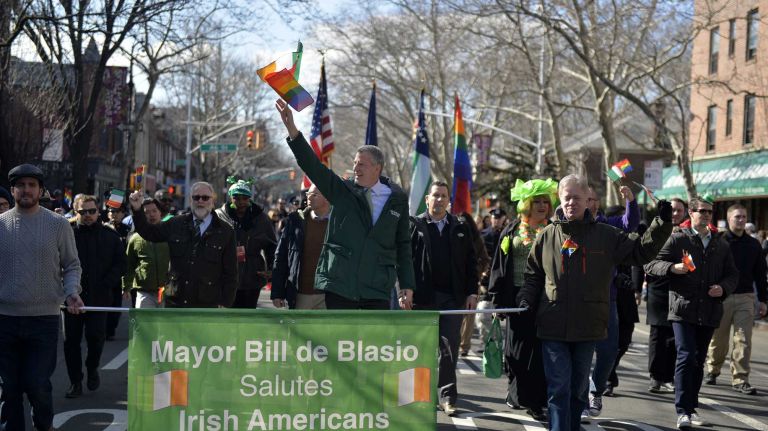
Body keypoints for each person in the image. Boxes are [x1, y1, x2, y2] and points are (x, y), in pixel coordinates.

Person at [516, 174, 673, 431]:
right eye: (567, 198)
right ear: (561, 199)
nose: (571, 203)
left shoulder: (607, 235)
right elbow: (533, 275)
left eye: (577, 198)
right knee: (558, 387)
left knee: (578, 390)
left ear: (588, 200)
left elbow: (641, 251)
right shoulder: (546, 236)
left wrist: (662, 222)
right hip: (552, 325)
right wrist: (525, 298)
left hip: (588, 326)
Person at [276, 99, 415, 310]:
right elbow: (313, 167)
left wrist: (407, 285)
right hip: (340, 286)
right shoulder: (342, 191)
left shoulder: (397, 200)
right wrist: (293, 131)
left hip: (376, 289)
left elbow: (404, 245)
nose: (356, 168)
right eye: (355, 163)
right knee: (338, 343)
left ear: (378, 168)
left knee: (371, 343)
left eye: (362, 164)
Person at [0, 163, 84, 431]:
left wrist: (72, 292)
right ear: (13, 190)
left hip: (44, 320)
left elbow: (72, 265)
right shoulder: (1, 225)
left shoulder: (58, 225)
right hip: (5, 320)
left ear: (40, 190)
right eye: (21, 185)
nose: (26, 190)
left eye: (32, 185)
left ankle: (43, 426)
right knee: (9, 388)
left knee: (37, 384)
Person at [645, 196, 738, 429]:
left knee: (697, 360)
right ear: (691, 213)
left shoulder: (720, 244)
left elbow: (733, 275)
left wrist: (723, 288)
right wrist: (672, 268)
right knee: (686, 355)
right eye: (701, 211)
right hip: (682, 308)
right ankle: (683, 411)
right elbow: (650, 264)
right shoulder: (678, 239)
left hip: (709, 310)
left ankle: (691, 407)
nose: (706, 215)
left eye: (709, 212)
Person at [488, 178, 558, 421]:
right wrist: (496, 301)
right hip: (516, 299)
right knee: (515, 352)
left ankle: (536, 402)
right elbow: (499, 266)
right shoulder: (512, 230)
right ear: (526, 205)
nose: (541, 206)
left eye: (545, 202)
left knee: (539, 352)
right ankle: (516, 391)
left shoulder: (556, 230)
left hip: (547, 299)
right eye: (536, 201)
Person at [409, 181, 478, 416]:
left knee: (449, 351)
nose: (439, 200)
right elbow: (404, 260)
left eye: (443, 196)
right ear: (427, 198)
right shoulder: (415, 225)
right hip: (422, 297)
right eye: (435, 195)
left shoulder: (460, 226)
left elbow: (471, 261)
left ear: (449, 200)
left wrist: (472, 292)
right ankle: (419, 396)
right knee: (421, 349)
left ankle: (447, 398)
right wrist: (405, 289)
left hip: (453, 298)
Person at [127, 182, 238, 308]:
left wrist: (225, 302)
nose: (200, 201)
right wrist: (137, 210)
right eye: (196, 197)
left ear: (212, 200)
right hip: (176, 300)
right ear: (191, 200)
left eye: (205, 198)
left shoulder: (225, 231)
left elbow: (231, 272)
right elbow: (149, 233)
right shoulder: (176, 223)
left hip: (207, 303)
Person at [584, 185, 640, 417]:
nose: (592, 203)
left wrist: (631, 201)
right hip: (576, 301)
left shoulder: (610, 225)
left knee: (608, 352)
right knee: (581, 352)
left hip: (607, 300)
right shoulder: (568, 226)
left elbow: (631, 224)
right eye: (587, 199)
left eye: (595, 199)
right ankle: (581, 398)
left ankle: (596, 391)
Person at [63, 195, 125, 398]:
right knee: (71, 342)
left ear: (98, 212)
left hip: (99, 298)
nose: (87, 215)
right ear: (75, 212)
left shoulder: (110, 236)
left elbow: (120, 264)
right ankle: (75, 382)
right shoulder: (67, 234)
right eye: (82, 212)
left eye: (91, 211)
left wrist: (107, 284)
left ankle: (92, 369)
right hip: (72, 298)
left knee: (96, 339)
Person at [705, 204, 768, 394]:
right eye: (737, 217)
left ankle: (740, 378)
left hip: (745, 297)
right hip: (721, 297)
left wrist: (763, 300)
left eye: (743, 217)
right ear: (729, 218)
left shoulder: (754, 244)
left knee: (743, 339)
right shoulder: (718, 241)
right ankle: (713, 369)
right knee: (719, 339)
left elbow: (760, 273)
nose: (740, 220)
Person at [645, 197, 688, 394]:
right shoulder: (656, 230)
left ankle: (669, 376)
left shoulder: (690, 234)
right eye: (672, 210)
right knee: (658, 335)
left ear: (685, 212)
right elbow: (643, 258)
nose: (675, 213)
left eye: (679, 210)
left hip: (680, 292)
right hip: (659, 289)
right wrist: (638, 289)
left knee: (674, 336)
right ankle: (655, 376)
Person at [215, 178, 277, 309]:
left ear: (250, 199)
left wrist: (272, 269)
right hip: (224, 276)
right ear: (230, 198)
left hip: (252, 277)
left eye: (245, 198)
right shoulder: (219, 216)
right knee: (226, 317)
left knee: (247, 316)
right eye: (237, 198)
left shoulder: (261, 219)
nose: (241, 202)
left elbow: (271, 246)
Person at [271, 185, 331, 310]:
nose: (308, 198)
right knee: (298, 329)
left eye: (314, 195)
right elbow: (281, 257)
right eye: (308, 194)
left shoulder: (339, 222)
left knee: (327, 330)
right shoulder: (295, 221)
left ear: (327, 197)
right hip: (300, 295)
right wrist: (277, 293)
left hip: (329, 296)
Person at [123, 198, 170, 309]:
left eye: (154, 211)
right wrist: (126, 287)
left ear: (160, 212)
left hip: (168, 291)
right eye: (146, 212)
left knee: (165, 325)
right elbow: (129, 264)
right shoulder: (135, 238)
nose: (151, 215)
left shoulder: (170, 234)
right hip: (144, 291)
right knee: (144, 324)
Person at [458, 211, 490, 357]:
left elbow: (485, 259)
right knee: (456, 313)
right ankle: (454, 341)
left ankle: (464, 345)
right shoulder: (453, 235)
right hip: (455, 282)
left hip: (471, 282)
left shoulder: (476, 240)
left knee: (469, 315)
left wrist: (479, 275)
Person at [104, 203, 130, 340]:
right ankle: (103, 329)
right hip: (106, 270)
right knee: (104, 302)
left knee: (116, 304)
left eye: (117, 211)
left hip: (120, 271)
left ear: (123, 213)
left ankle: (111, 330)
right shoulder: (103, 228)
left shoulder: (127, 230)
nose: (114, 214)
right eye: (111, 211)